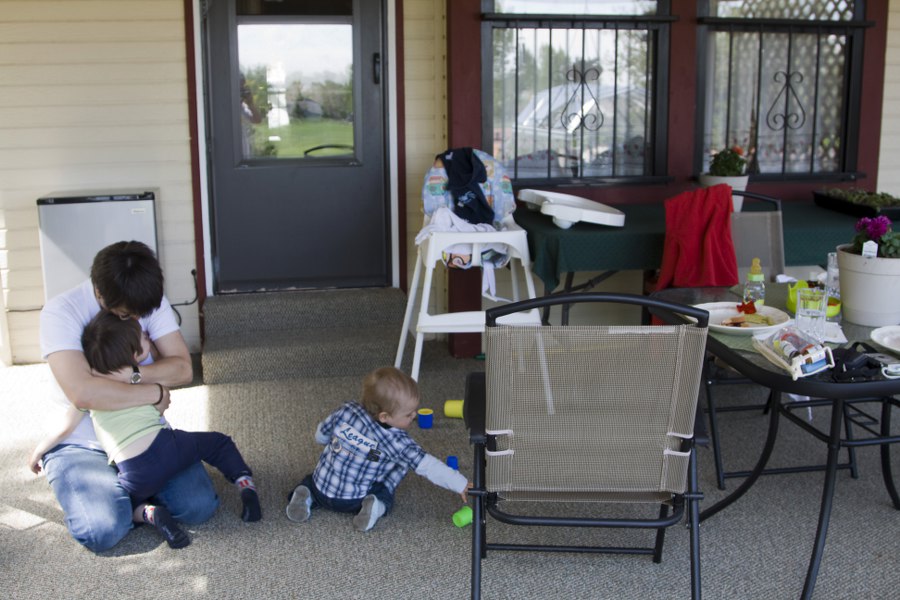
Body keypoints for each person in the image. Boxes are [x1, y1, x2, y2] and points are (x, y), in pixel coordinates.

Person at [35, 240, 219, 552]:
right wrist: (155, 392)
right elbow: (83, 393)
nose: (136, 319)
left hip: (142, 432)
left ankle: (129, 495)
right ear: (99, 293)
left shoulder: (146, 300)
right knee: (103, 531)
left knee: (199, 507)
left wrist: (132, 376)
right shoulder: (61, 312)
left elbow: (182, 369)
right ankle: (130, 498)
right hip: (82, 442)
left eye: (141, 314)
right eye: (125, 315)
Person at [29, 311, 262, 548]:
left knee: (124, 506)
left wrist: (40, 450)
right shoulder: (143, 380)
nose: (149, 340)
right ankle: (244, 483)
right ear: (136, 355)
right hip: (168, 446)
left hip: (134, 471)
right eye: (145, 339)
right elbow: (159, 409)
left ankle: (149, 513)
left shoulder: (90, 391)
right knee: (218, 443)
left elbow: (65, 427)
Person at [285, 367, 469, 531]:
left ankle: (305, 494)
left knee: (311, 478)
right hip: (353, 500)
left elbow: (320, 435)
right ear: (384, 417)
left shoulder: (346, 410)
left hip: (320, 488)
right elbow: (429, 466)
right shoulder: (398, 442)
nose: (414, 416)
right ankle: (376, 506)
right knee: (395, 473)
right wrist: (460, 484)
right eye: (408, 414)